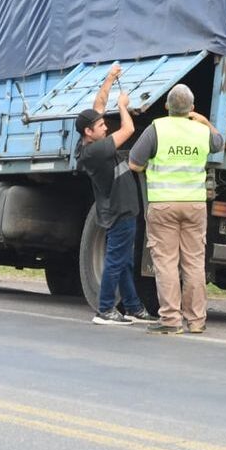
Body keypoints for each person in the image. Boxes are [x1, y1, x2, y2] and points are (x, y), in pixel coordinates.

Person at [128, 84, 224, 334]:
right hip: (194, 205)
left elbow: (134, 164)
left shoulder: (157, 128)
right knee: (193, 263)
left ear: (167, 106)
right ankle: (196, 321)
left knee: (167, 263)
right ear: (192, 108)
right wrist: (204, 120)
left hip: (164, 204)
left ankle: (171, 320)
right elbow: (219, 143)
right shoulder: (202, 131)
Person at [76, 63, 155, 326]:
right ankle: (105, 309)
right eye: (100, 126)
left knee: (122, 260)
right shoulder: (96, 151)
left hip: (118, 208)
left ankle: (133, 307)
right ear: (89, 132)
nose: (105, 127)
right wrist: (123, 106)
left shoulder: (89, 142)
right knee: (116, 259)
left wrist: (110, 78)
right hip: (119, 209)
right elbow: (129, 130)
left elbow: (99, 103)